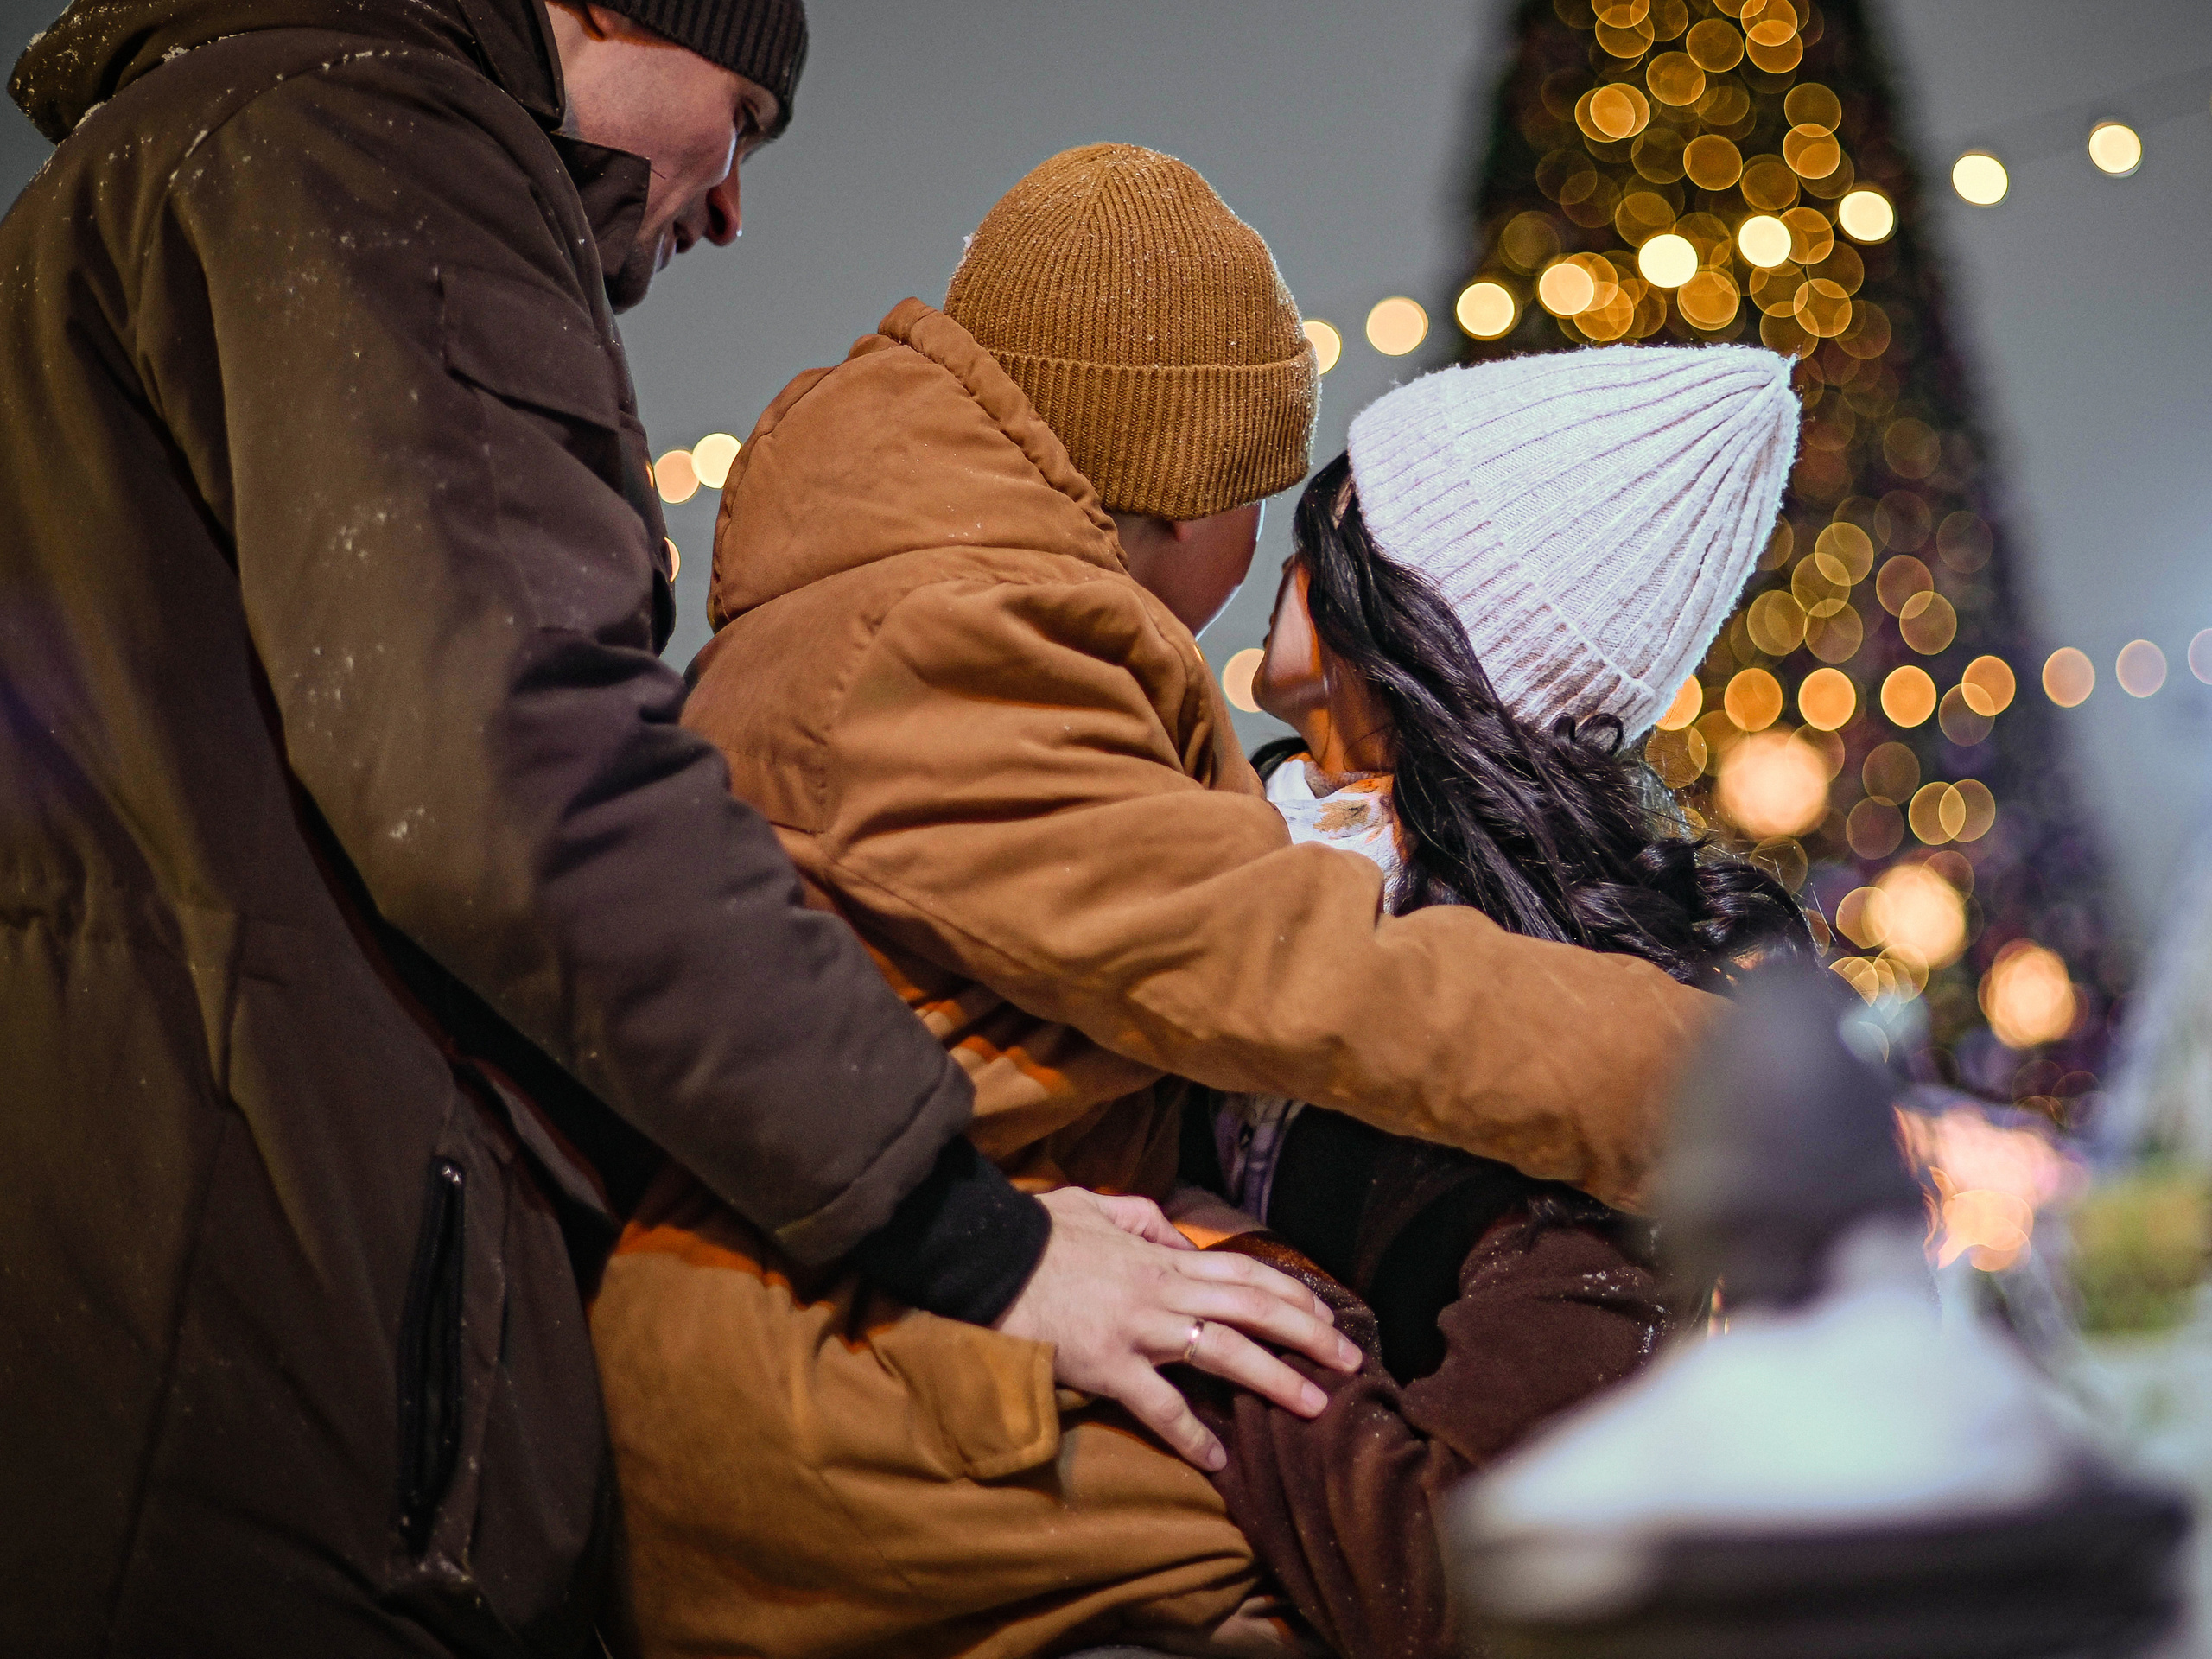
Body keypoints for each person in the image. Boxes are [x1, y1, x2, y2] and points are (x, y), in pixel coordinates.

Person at [0, 0, 1334, 1659]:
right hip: (255, 1331)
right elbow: (520, 763)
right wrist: (964, 1234)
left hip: (166, 1277)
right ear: (607, 11)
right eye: (741, 124)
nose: (724, 204)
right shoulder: (373, 148)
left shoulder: (211, 154)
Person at [590, 144, 1740, 1656]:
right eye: (1275, 507)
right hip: (874, 1406)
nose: (1273, 637)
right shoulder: (961, 643)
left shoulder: (901, 600)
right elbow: (1290, 964)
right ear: (1190, 500)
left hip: (892, 1368)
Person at [1170, 347, 1813, 1659]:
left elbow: (1463, 1583)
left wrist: (1220, 1283)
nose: (1301, 534)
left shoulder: (1589, 1060)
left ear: (1413, 613)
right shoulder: (1210, 853)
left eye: (1344, 511)